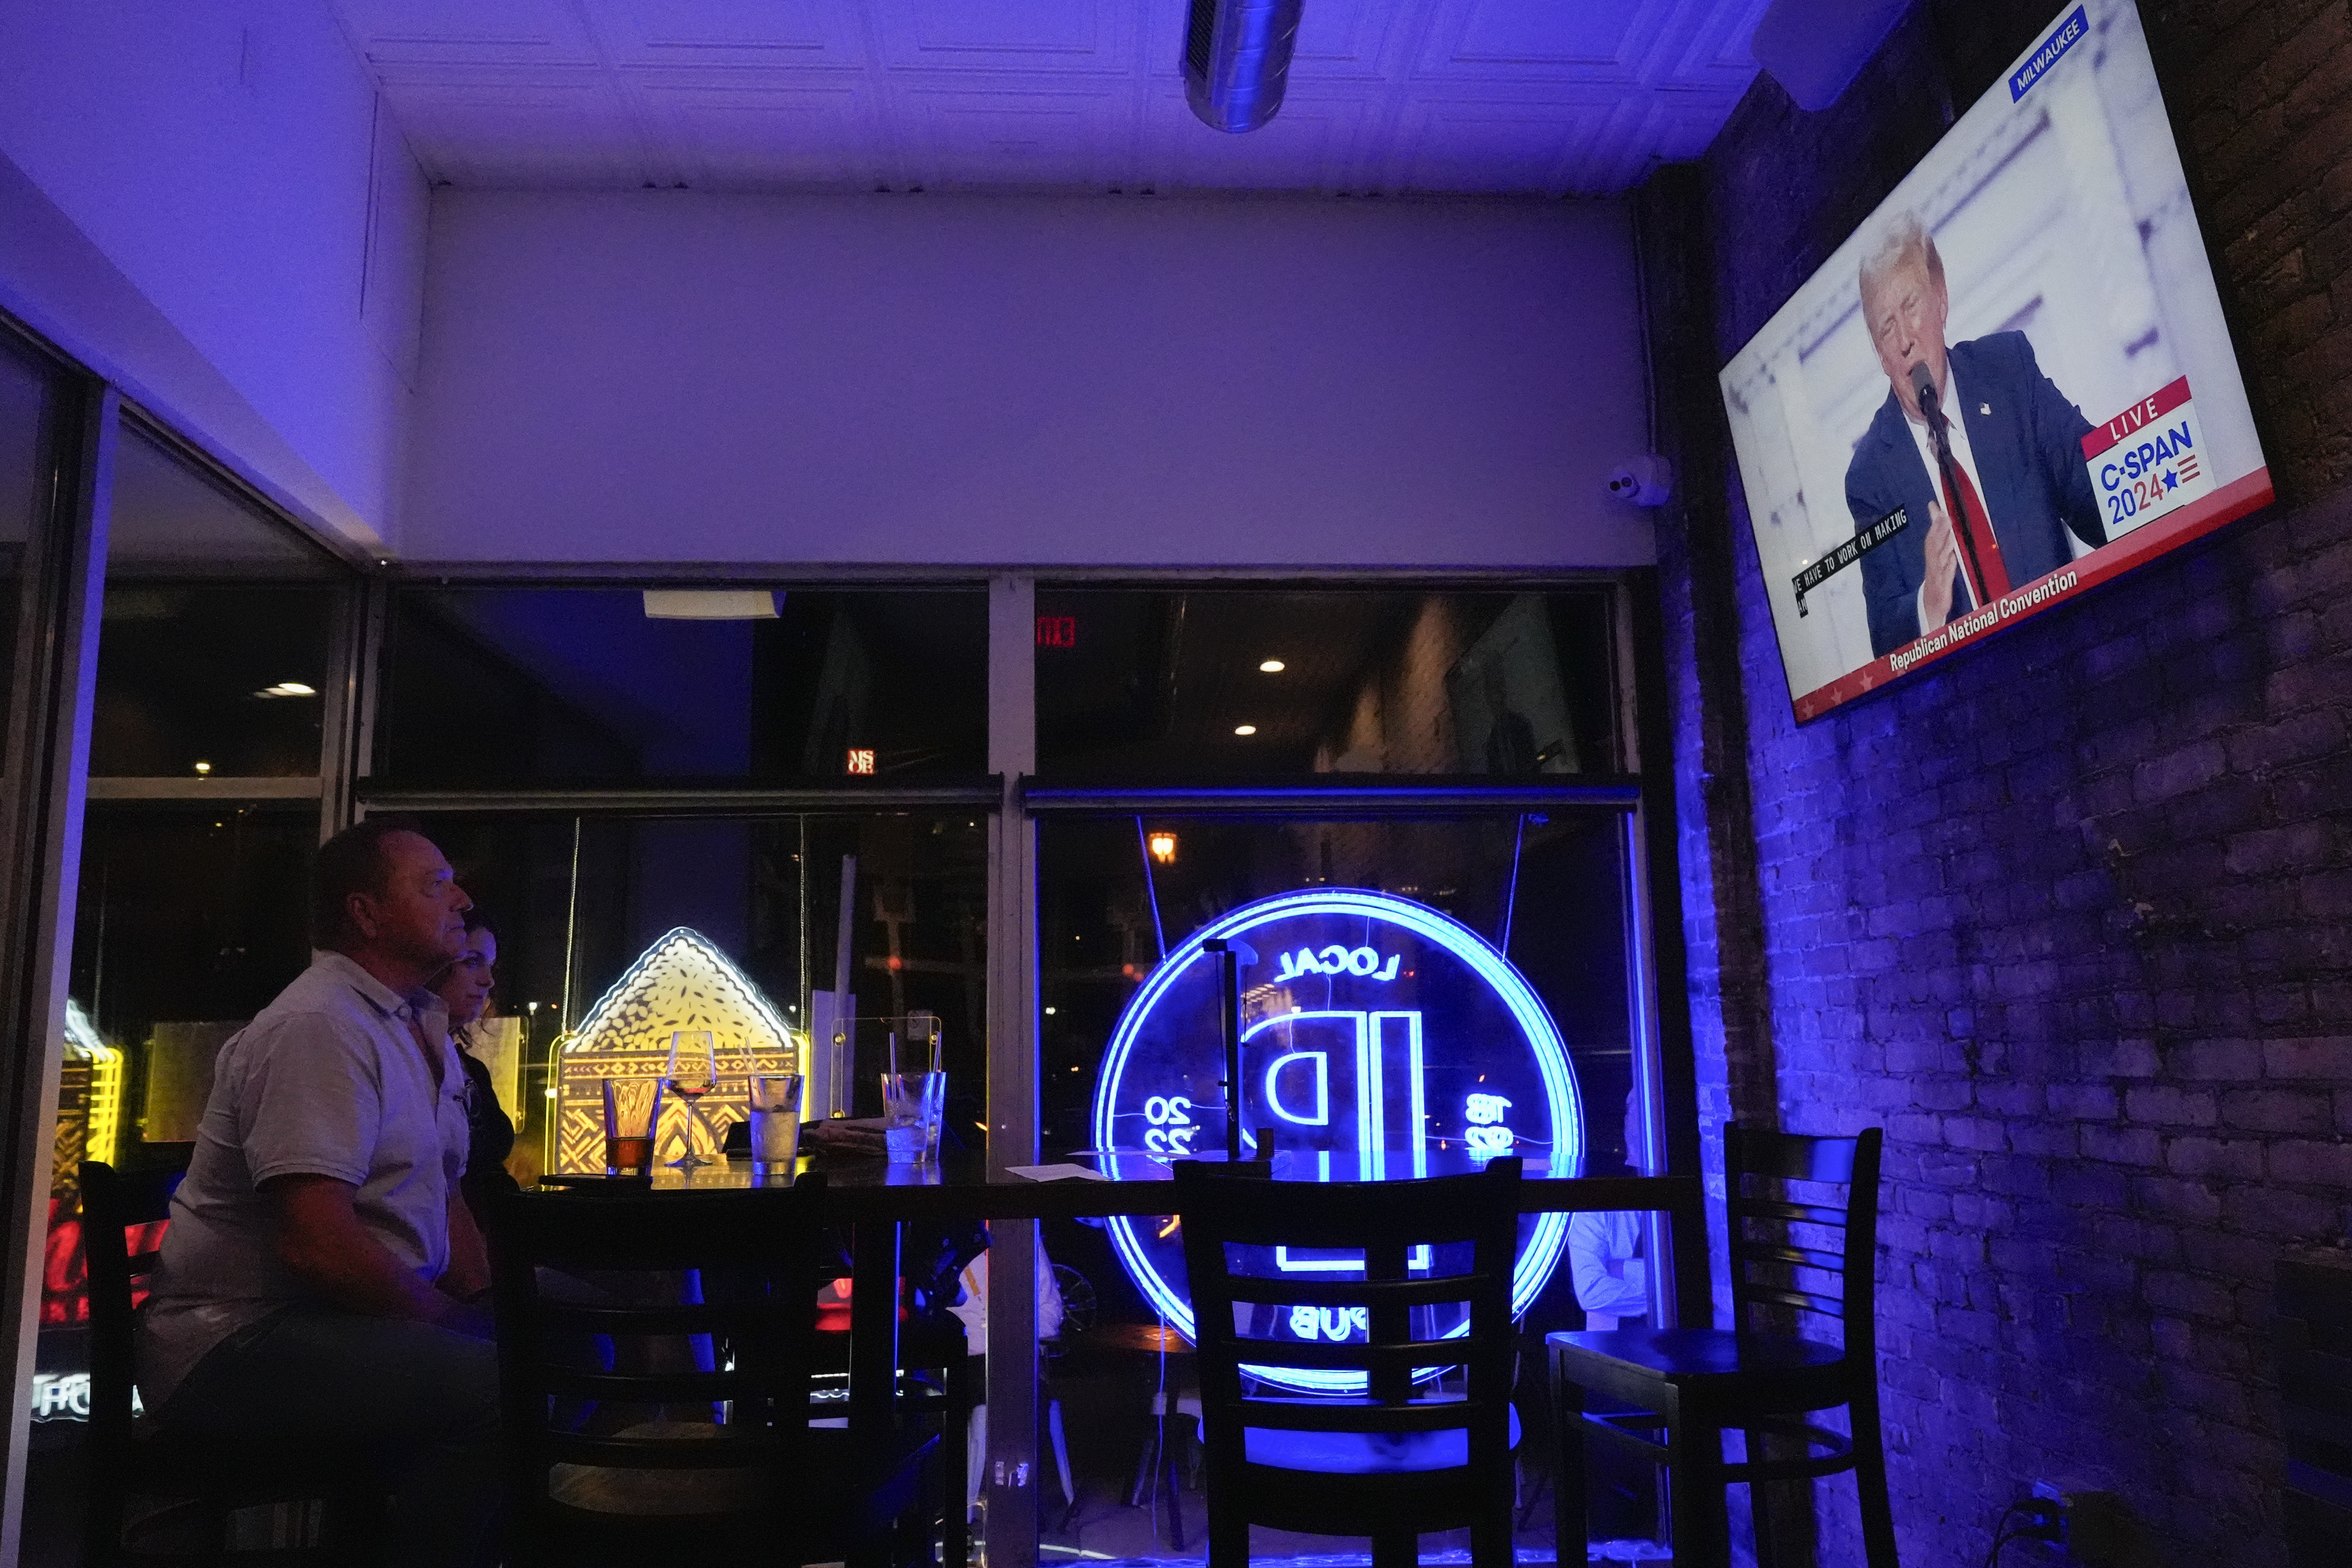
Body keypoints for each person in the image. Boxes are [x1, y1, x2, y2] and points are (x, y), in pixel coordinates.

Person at [138, 817, 501, 1567]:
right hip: (240, 1340)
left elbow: (446, 1194)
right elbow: (314, 1243)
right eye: (434, 885)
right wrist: (453, 1327)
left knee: (583, 1335)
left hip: (338, 1319)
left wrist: (494, 1305)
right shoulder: (320, 1027)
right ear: (365, 914)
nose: (461, 898)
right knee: (502, 1384)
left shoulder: (414, 1024)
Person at [1846, 210, 2107, 659]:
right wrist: (1927, 605)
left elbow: (2090, 485)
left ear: (1941, 301)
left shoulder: (2008, 370)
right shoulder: (1870, 474)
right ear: (1879, 353)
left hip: (2074, 655)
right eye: (1887, 328)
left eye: (1910, 306)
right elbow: (1886, 634)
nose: (1905, 338)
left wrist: (2149, 469)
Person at [434, 912, 519, 1215]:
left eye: (491, 965)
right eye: (472, 961)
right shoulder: (404, 1061)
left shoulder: (471, 1069)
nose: (488, 979)